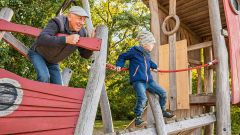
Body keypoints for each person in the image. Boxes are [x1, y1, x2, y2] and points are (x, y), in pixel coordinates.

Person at [116, 30, 175, 127]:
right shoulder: (134, 51)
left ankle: (163, 110)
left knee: (163, 93)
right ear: (145, 43)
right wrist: (119, 65)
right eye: (151, 44)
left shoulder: (147, 54)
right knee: (142, 98)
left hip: (149, 81)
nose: (153, 46)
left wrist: (155, 67)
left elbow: (149, 62)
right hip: (139, 81)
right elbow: (122, 56)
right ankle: (138, 118)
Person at [28, 6, 93, 85]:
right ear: (69, 17)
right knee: (44, 77)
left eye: (83, 20)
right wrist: (65, 39)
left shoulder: (82, 33)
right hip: (38, 53)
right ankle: (36, 97)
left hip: (53, 62)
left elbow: (85, 55)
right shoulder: (57, 22)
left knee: (59, 87)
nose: (82, 23)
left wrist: (91, 42)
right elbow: (42, 39)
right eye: (79, 18)